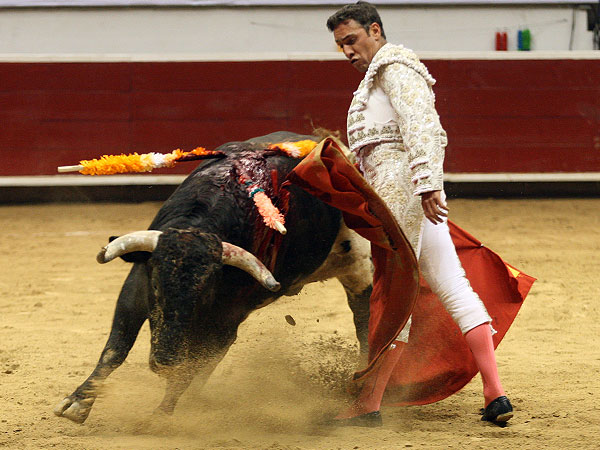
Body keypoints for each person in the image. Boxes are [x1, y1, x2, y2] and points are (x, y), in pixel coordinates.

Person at [325, 1, 513, 427]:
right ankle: (494, 392)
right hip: (407, 189)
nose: (348, 51)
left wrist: (428, 183)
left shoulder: (395, 67)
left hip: (401, 191)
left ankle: (369, 403)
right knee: (452, 284)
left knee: (393, 292)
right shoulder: (380, 76)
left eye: (352, 40)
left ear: (375, 30)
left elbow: (423, 125)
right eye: (341, 45)